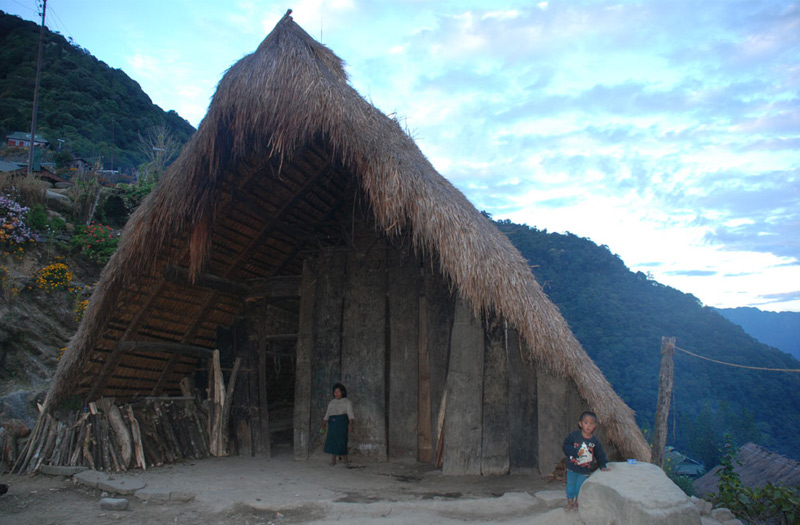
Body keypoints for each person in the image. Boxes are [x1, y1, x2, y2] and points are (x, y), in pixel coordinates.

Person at [562, 411, 610, 511]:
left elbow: (600, 454)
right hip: (572, 468)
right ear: (580, 424)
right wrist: (575, 452)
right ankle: (570, 502)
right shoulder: (574, 436)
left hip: (584, 470)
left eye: (592, 423)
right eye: (586, 422)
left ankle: (577, 502)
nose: (588, 425)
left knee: (580, 487)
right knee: (570, 486)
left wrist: (603, 465)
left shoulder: (594, 442)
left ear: (595, 426)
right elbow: (565, 446)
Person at [321, 383, 355, 465]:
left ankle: (346, 460)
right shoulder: (331, 402)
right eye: (335, 392)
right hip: (332, 424)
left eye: (338, 391)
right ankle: (333, 460)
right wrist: (323, 425)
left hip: (342, 424)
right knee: (333, 441)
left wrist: (351, 425)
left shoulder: (347, 402)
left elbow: (350, 415)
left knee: (342, 441)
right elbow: (327, 415)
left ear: (342, 392)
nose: (336, 393)